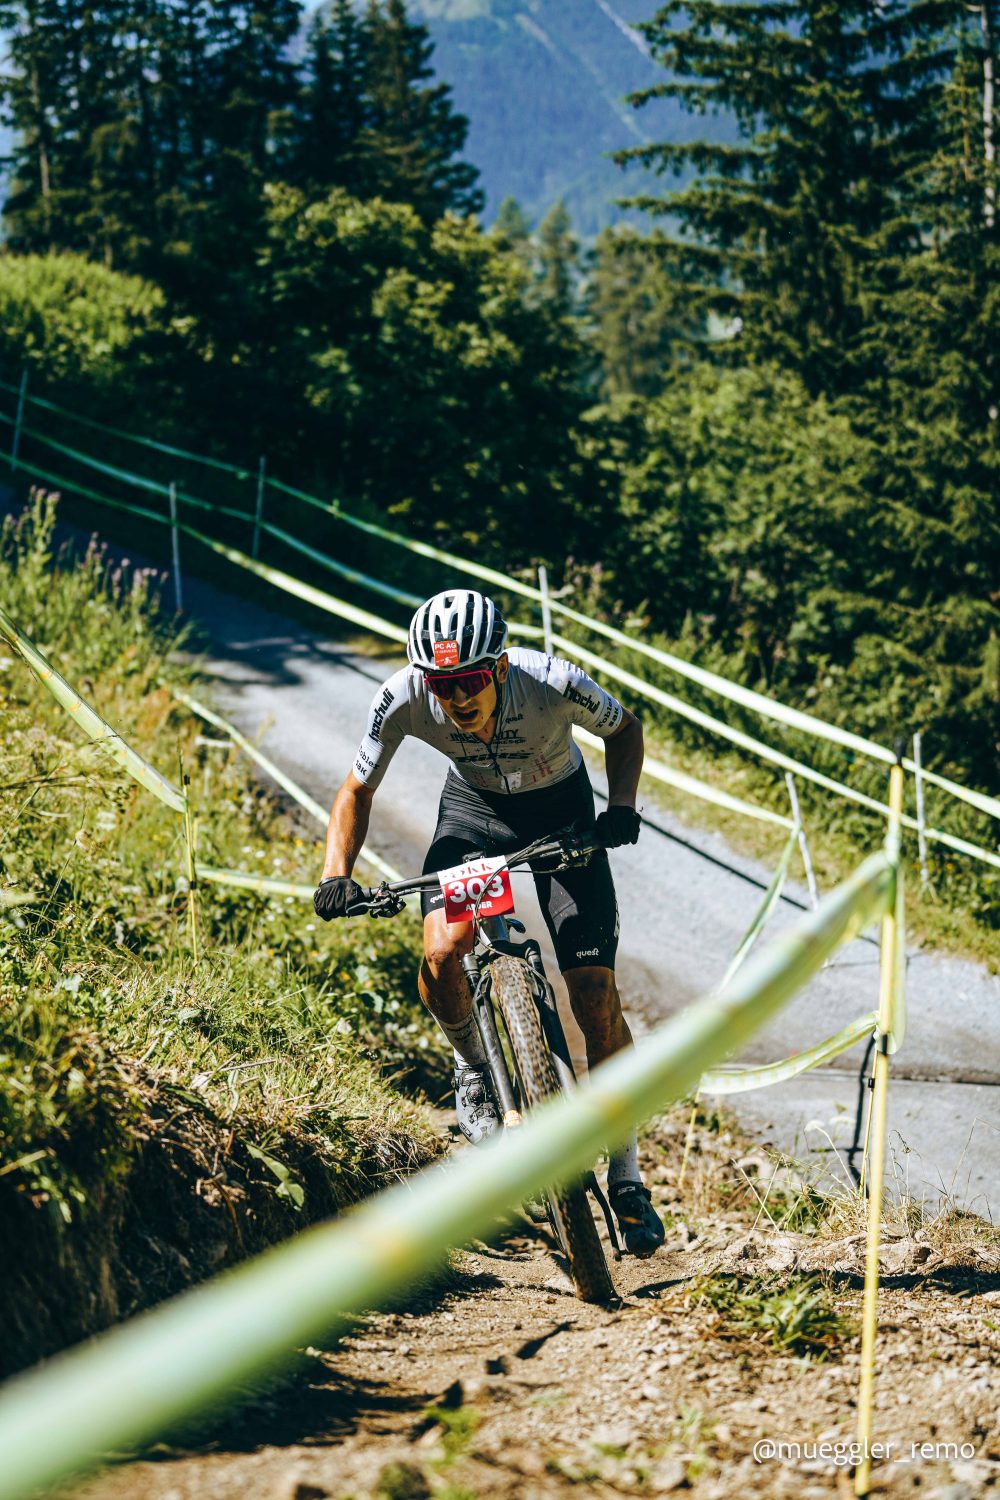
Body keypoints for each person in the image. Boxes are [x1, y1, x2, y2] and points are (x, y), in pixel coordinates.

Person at [314, 588, 664, 1258]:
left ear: (500, 668)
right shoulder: (401, 696)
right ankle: (474, 1067)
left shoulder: (554, 682)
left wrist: (620, 806)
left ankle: (625, 1170)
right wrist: (336, 875)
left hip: (562, 810)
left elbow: (626, 728)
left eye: (472, 680)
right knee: (443, 953)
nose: (458, 698)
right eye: (444, 685)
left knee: (594, 994)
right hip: (473, 814)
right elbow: (356, 790)